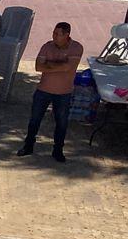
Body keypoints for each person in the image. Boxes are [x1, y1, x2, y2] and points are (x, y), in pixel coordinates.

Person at [18, 22, 83, 163]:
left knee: (61, 123)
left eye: (57, 34)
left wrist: (49, 65)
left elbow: (69, 67)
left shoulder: (76, 47)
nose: (54, 36)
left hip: (64, 93)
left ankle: (58, 150)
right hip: (43, 90)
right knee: (34, 120)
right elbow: (38, 66)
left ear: (67, 35)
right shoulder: (47, 46)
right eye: (53, 33)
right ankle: (28, 145)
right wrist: (59, 65)